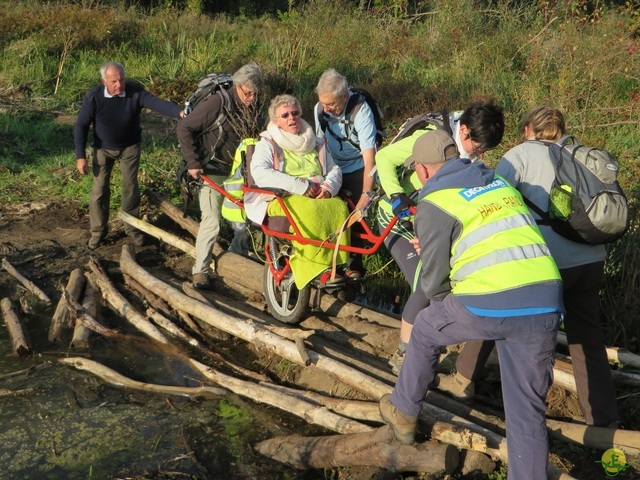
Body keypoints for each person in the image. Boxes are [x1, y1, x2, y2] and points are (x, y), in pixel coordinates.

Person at [379, 129, 564, 480]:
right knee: (527, 412)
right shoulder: (498, 185)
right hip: (545, 300)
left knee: (425, 329)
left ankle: (403, 412)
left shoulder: (435, 202)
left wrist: (443, 311)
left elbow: (432, 281)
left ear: (422, 170)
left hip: (489, 298)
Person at [439, 107, 622, 428]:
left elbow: (495, 204)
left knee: (496, 309)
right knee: (587, 341)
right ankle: (603, 420)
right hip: (592, 261)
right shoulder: (580, 152)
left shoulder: (519, 156)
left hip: (548, 265)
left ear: (527, 130)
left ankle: (463, 381)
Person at [375, 102, 505, 374]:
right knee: (425, 283)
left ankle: (430, 345)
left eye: (485, 150)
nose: (480, 154)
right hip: (397, 218)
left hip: (433, 221)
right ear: (465, 131)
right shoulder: (432, 138)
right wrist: (396, 195)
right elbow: (384, 158)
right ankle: (404, 356)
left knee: (441, 285)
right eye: (478, 147)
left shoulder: (468, 150)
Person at [74, 61, 184, 249]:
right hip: (102, 148)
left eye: (121, 79)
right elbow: (80, 125)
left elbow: (157, 103)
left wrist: (179, 111)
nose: (119, 85)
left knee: (130, 187)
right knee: (99, 190)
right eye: (114, 81)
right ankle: (98, 232)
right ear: (103, 81)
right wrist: (80, 156)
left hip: (130, 147)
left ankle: (132, 229)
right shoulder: (94, 97)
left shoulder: (134, 92)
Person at [245, 94, 349, 288]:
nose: (291, 118)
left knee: (339, 206)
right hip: (281, 195)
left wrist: (328, 187)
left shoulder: (316, 142)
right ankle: (315, 269)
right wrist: (300, 187)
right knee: (310, 210)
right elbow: (260, 172)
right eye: (285, 115)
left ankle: (339, 263)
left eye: (295, 113)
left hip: (317, 192)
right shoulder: (268, 142)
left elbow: (334, 169)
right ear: (276, 121)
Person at [177, 63, 264, 290]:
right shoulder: (218, 102)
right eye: (248, 93)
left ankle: (236, 258)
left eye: (255, 94)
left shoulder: (253, 107)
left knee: (245, 221)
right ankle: (200, 271)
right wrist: (193, 164)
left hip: (238, 174)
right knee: (212, 221)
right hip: (210, 171)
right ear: (237, 86)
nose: (251, 98)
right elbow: (184, 128)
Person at [314, 68, 378, 274]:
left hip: (358, 167)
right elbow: (318, 144)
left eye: (331, 104)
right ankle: (328, 265)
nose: (326, 108)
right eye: (323, 103)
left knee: (356, 218)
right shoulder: (319, 109)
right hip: (332, 168)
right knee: (328, 213)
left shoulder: (361, 111)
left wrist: (366, 193)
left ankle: (354, 268)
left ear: (344, 96)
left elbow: (370, 157)